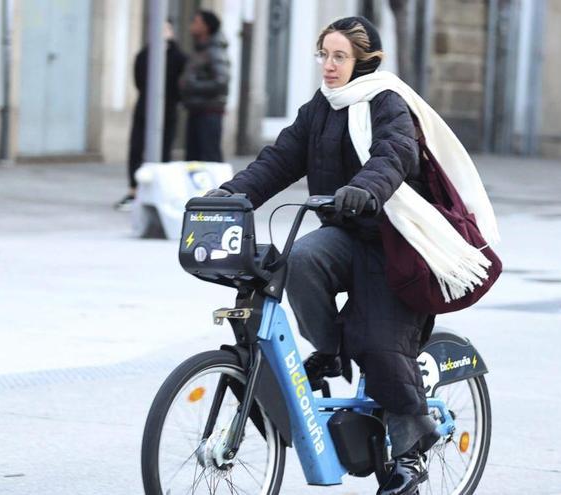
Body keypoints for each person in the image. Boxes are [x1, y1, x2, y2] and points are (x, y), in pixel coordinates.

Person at [202, 16, 494, 495]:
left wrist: (364, 189)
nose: (329, 65)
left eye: (340, 56)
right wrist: (231, 197)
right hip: (346, 235)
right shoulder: (320, 108)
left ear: (364, 62)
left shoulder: (387, 102)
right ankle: (331, 353)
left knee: (379, 342)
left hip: (395, 244)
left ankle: (408, 457)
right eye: (325, 55)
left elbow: (393, 155)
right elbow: (279, 160)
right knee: (298, 260)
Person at [115, 22, 187, 211]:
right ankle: (134, 190)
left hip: (168, 108)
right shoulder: (144, 54)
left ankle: (159, 191)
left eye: (165, 29)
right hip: (144, 107)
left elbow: (181, 82)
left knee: (163, 149)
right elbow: (139, 79)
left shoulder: (178, 57)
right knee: (137, 148)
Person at [181, 10, 230, 162]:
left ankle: (218, 186)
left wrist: (191, 85)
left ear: (206, 27)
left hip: (209, 112)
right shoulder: (200, 49)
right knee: (194, 158)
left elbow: (221, 82)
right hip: (197, 109)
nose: (191, 26)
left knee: (209, 158)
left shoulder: (215, 51)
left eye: (196, 22)